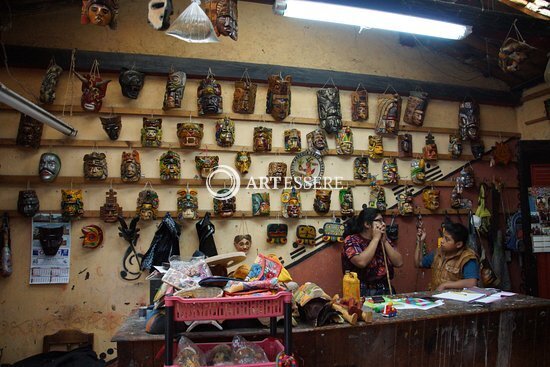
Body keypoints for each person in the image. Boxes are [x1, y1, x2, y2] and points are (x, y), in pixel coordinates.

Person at [341, 207, 404, 296]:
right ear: (367, 224)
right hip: (361, 290)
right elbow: (361, 262)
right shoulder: (352, 240)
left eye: (383, 221)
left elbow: (399, 262)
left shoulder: (383, 239)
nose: (383, 224)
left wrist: (384, 241)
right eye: (379, 221)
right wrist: (375, 239)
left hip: (385, 288)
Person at [415, 221, 479, 291]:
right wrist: (420, 242)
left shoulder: (467, 258)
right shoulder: (438, 253)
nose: (442, 241)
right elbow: (418, 263)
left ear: (459, 244)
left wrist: (445, 285)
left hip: (456, 300)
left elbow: (472, 282)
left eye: (447, 239)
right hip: (436, 297)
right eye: (443, 237)